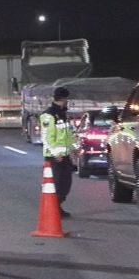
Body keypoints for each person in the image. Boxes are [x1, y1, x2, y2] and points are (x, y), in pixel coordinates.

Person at [38, 86, 79, 218]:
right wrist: (56, 153)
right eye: (67, 99)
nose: (68, 102)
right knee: (57, 183)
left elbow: (68, 135)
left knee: (66, 184)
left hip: (65, 155)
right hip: (55, 157)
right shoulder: (48, 115)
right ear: (63, 99)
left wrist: (74, 148)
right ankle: (54, 208)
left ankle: (57, 206)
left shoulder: (63, 114)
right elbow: (46, 137)